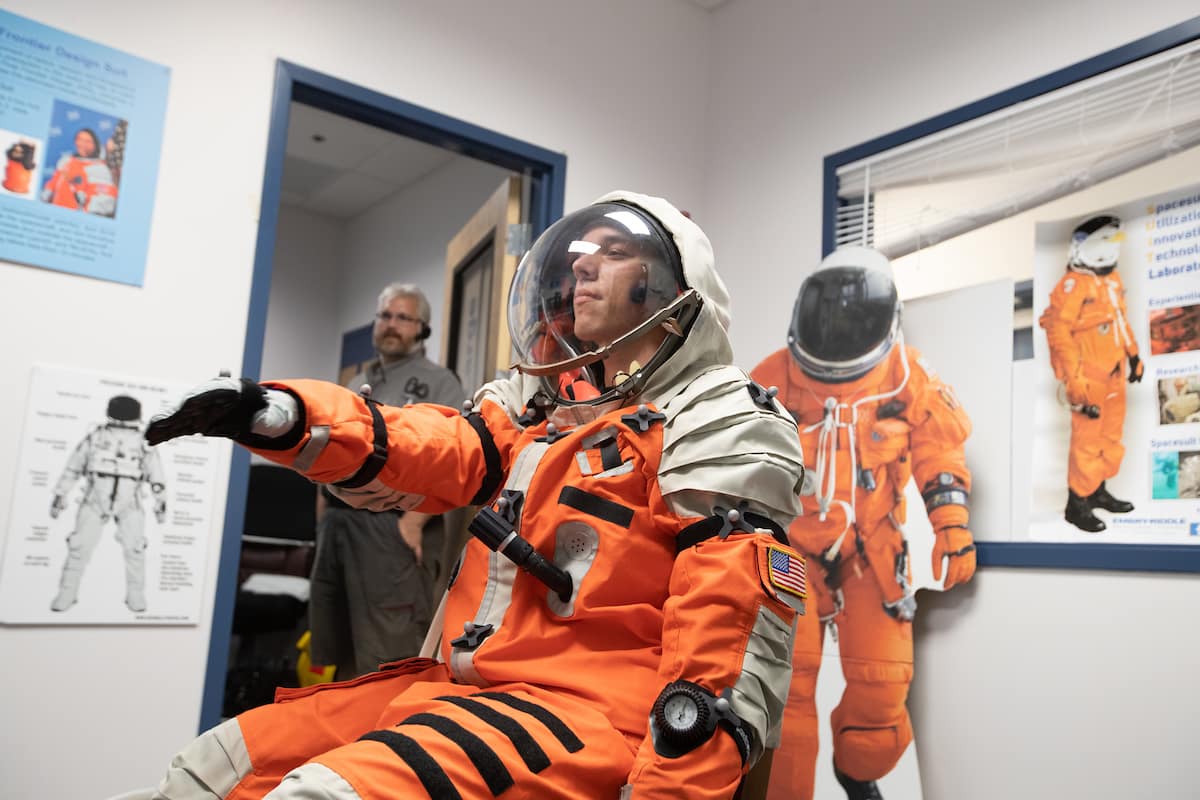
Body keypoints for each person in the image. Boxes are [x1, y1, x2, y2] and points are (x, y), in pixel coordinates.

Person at [144, 191, 813, 799]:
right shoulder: (548, 403)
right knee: (216, 768)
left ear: (668, 286)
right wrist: (281, 416)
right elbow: (436, 447)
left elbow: (726, 639)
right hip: (465, 685)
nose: (582, 270)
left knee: (322, 794)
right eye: (582, 257)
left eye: (615, 255)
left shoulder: (717, 420)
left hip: (590, 712)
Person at [749, 246, 975, 800]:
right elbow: (741, 461)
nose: (843, 327)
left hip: (872, 552)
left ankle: (858, 770)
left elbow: (940, 454)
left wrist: (951, 525)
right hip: (789, 553)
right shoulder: (772, 375)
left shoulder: (907, 376)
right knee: (784, 684)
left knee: (882, 683)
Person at [310, 282, 466, 679]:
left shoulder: (440, 383)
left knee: (387, 654)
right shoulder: (357, 381)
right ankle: (346, 737)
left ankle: (383, 737)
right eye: (385, 316)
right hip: (339, 526)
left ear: (422, 329)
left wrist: (411, 526)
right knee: (338, 646)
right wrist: (324, 513)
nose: (391, 325)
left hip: (391, 527)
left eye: (403, 317)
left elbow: (449, 455)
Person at [1039, 214, 1143, 533]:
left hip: (1113, 373)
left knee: (1111, 436)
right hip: (1088, 377)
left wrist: (1134, 354)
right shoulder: (1073, 286)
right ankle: (1077, 503)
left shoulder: (1111, 280)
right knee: (1086, 441)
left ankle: (1097, 489)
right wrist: (1074, 378)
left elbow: (1120, 320)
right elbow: (1059, 332)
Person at [49, 394, 167, 613]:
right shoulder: (95, 437)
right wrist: (60, 494)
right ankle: (67, 592)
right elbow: (73, 468)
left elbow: (156, 476)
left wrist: (161, 502)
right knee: (78, 547)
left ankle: (136, 595)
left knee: (135, 549)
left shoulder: (144, 442)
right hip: (95, 498)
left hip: (130, 501)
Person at [40, 127, 118, 216]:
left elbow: (105, 199)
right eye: (79, 139)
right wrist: (47, 192)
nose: (81, 143)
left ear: (95, 144)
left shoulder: (99, 168)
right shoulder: (67, 161)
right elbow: (55, 181)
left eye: (87, 141)